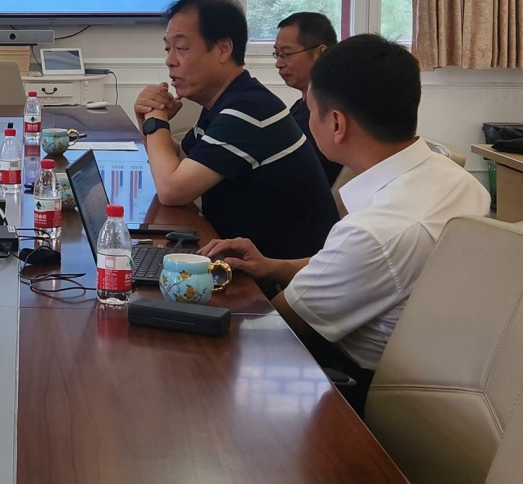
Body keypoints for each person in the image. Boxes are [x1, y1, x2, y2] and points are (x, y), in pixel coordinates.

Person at [201, 35, 491, 407]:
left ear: (337, 123)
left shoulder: (374, 232)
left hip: (353, 383)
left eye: (310, 111)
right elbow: (374, 271)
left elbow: (277, 327)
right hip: (447, 370)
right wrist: (274, 267)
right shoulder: (458, 180)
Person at [134, 0, 338, 259]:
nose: (170, 60)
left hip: (281, 275)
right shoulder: (227, 102)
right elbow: (180, 164)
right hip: (244, 259)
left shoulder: (249, 110)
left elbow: (172, 190)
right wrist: (148, 124)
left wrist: (156, 120)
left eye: (181, 48)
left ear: (223, 49)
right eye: (167, 48)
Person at [275, 11, 342, 185]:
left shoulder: (327, 113)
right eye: (277, 54)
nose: (278, 63)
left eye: (287, 54)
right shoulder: (301, 106)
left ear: (320, 53)